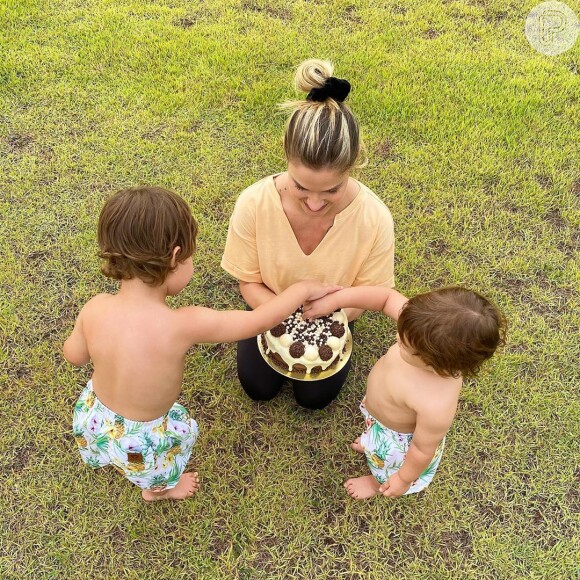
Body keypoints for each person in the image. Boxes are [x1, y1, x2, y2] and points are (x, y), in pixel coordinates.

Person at [64, 186, 339, 501]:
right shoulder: (182, 324)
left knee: (117, 450)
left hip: (95, 417)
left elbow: (74, 355)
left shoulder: (95, 307)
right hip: (143, 437)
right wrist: (301, 289)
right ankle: (158, 491)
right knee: (153, 468)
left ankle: (115, 457)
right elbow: (258, 321)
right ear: (175, 256)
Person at [221, 59, 395, 409]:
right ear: (285, 155)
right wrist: (281, 315)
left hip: (334, 317)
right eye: (301, 187)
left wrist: (324, 318)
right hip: (267, 304)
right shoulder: (254, 203)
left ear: (353, 165)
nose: (314, 204)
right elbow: (249, 282)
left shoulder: (374, 218)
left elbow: (366, 295)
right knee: (258, 386)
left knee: (315, 397)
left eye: (331, 191)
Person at [303, 285, 506, 498]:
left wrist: (403, 479)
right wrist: (335, 300)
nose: (398, 335)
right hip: (378, 415)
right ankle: (371, 441)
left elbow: (421, 450)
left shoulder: (436, 403)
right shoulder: (421, 326)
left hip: (396, 442)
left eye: (404, 344)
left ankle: (375, 481)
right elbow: (385, 298)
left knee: (386, 464)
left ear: (436, 363)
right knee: (373, 434)